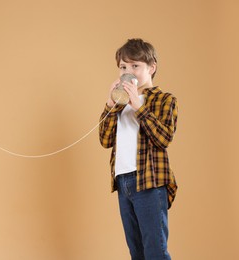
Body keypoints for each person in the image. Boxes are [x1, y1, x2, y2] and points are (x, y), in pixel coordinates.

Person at [99, 38, 178, 259]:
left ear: (151, 68)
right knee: (137, 251)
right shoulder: (119, 105)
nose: (128, 71)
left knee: (155, 250)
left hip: (150, 182)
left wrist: (139, 106)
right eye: (123, 67)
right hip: (123, 182)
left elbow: (163, 138)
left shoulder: (164, 100)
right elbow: (105, 140)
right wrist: (110, 105)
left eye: (135, 66)